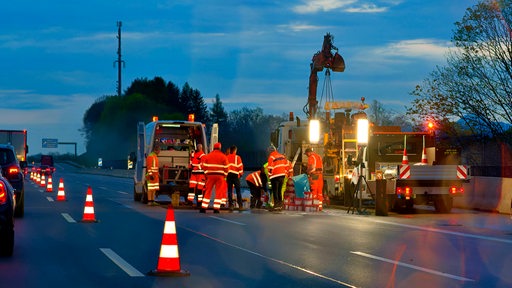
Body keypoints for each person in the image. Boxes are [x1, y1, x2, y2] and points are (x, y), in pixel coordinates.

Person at [200, 142, 229, 213]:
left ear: (213, 148)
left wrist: (207, 174)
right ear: (220, 148)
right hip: (220, 176)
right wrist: (224, 175)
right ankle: (216, 209)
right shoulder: (223, 156)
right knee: (218, 192)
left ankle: (203, 207)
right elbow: (226, 168)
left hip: (210, 176)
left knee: (208, 191)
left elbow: (204, 166)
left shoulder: (208, 156)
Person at [267, 146, 288, 210]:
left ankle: (276, 205)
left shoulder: (271, 157)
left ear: (270, 151)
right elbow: (286, 165)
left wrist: (270, 176)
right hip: (282, 175)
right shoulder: (282, 156)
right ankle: (280, 205)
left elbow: (270, 168)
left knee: (275, 191)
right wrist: (285, 173)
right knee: (279, 190)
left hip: (275, 176)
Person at [227, 145, 244, 211]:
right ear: (235, 151)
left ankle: (230, 205)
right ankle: (240, 205)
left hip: (229, 176)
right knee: (238, 191)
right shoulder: (238, 157)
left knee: (229, 191)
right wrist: (240, 174)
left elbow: (225, 167)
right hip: (235, 176)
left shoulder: (226, 157)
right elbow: (240, 167)